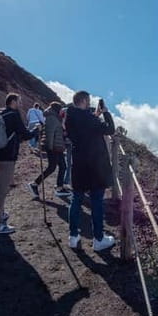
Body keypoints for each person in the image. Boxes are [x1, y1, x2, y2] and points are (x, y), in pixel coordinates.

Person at [64, 91, 116, 251]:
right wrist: (105, 113)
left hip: (79, 164)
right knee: (97, 202)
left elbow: (84, 126)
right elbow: (110, 129)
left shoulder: (70, 117)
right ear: (85, 100)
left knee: (76, 199)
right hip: (94, 166)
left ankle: (73, 236)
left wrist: (95, 114)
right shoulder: (90, 119)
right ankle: (98, 239)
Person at [0, 93, 39, 235]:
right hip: (7, 157)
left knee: (0, 187)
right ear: (13, 101)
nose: (20, 103)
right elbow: (25, 134)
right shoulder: (14, 115)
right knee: (2, 191)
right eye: (19, 100)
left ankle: (1, 214)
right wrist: (35, 131)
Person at [28, 102, 71, 199]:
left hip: (57, 147)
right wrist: (49, 148)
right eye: (60, 110)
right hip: (53, 147)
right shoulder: (52, 118)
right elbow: (50, 133)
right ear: (57, 109)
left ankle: (59, 187)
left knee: (63, 166)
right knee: (52, 167)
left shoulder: (55, 118)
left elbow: (58, 132)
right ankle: (34, 184)